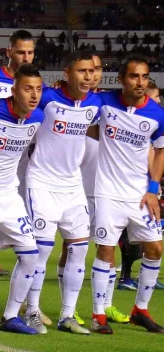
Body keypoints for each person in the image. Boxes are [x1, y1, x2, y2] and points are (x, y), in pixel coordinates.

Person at [0, 29, 50, 326]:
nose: (25, 57)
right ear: (9, 52)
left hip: (17, 174)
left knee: (33, 247)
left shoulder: (38, 90)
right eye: (20, 52)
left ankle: (31, 306)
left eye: (30, 53)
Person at [24, 51, 101, 335]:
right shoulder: (47, 98)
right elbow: (17, 97)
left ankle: (67, 315)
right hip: (42, 183)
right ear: (67, 73)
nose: (88, 76)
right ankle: (31, 310)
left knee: (79, 250)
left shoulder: (97, 103)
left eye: (92, 71)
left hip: (72, 187)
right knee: (41, 251)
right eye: (82, 71)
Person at [89, 54, 164, 334]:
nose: (140, 82)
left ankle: (140, 310)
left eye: (145, 77)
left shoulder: (157, 114)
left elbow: (160, 151)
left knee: (155, 248)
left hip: (140, 195)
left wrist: (153, 189)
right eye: (134, 76)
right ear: (121, 80)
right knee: (106, 251)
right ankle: (98, 315)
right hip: (107, 192)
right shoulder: (104, 102)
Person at [77, 53, 130, 325]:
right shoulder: (79, 104)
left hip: (107, 190)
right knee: (72, 248)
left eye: (98, 69)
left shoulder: (110, 105)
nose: (93, 74)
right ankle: (67, 307)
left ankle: (106, 305)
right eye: (88, 69)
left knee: (109, 249)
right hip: (79, 187)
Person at [117, 81, 164, 291]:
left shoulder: (154, 122)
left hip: (147, 187)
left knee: (151, 242)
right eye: (155, 99)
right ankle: (125, 278)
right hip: (132, 191)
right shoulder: (133, 122)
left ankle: (143, 279)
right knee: (131, 242)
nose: (157, 103)